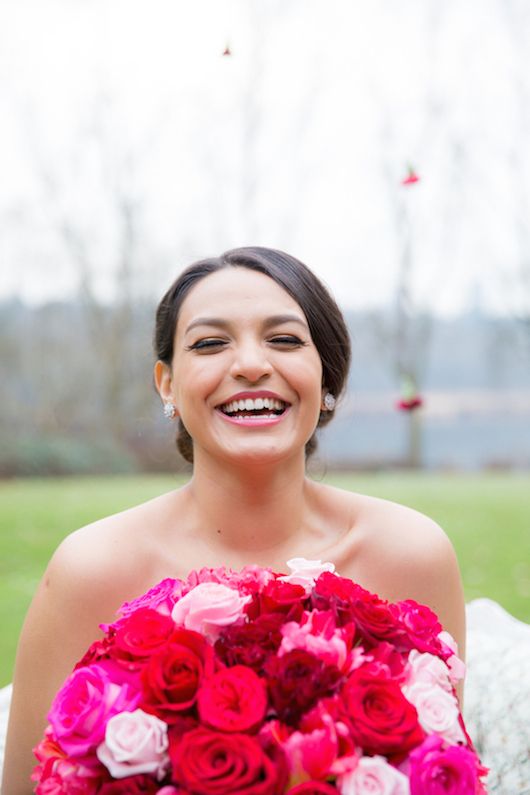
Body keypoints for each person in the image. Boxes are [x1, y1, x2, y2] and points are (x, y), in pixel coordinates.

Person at [2, 246, 466, 793]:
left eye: (286, 340)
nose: (250, 364)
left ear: (326, 377)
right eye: (210, 343)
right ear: (167, 384)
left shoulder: (411, 555)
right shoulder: (91, 570)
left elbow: (446, 773)